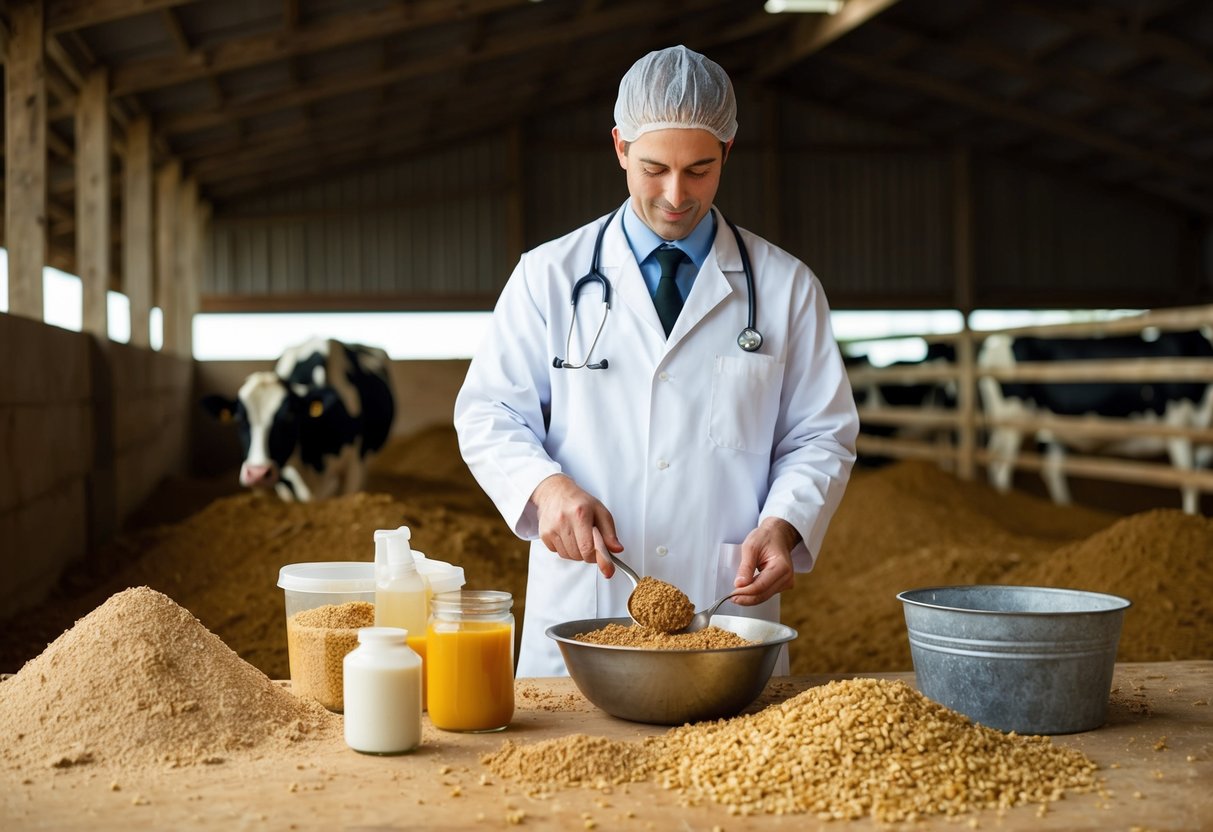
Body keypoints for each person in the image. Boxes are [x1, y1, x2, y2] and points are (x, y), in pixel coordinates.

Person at [454, 45, 858, 677]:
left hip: (725, 616)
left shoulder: (785, 288)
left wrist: (785, 523)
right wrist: (546, 488)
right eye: (653, 168)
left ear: (727, 151)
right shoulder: (548, 277)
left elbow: (820, 435)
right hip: (585, 609)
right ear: (619, 147)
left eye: (699, 169)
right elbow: (488, 414)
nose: (675, 195)